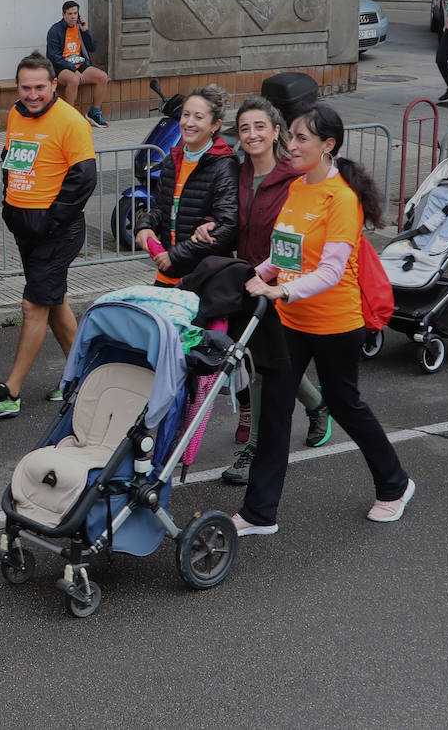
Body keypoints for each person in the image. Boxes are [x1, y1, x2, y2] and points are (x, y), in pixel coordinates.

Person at [238, 104, 416, 536]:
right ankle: (259, 514)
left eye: (301, 139)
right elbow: (286, 255)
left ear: (327, 146)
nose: (291, 145)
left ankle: (395, 485)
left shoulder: (342, 199)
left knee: (344, 404)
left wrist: (278, 289)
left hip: (336, 324)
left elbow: (332, 271)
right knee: (275, 411)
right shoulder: (298, 187)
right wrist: (256, 275)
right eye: (291, 136)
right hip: (291, 321)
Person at [189, 98, 331, 486]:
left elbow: (301, 236)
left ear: (275, 132)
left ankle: (254, 448)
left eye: (259, 127)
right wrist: (208, 225)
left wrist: (280, 282)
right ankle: (319, 404)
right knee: (258, 361)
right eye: (245, 128)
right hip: (245, 279)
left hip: (283, 285)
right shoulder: (237, 174)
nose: (252, 135)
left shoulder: (293, 178)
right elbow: (225, 215)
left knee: (268, 365)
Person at [0, 52, 96, 418]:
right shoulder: (15, 114)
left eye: (39, 87)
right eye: (25, 87)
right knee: (54, 303)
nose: (32, 95)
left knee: (34, 305)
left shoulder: (71, 121)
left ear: (54, 85)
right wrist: (9, 204)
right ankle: (84, 377)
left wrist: (52, 219)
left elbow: (85, 178)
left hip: (57, 232)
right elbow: (10, 158)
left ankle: (11, 390)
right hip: (24, 226)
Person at [133, 85, 239, 286]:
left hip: (203, 277)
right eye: (186, 115)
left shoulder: (224, 164)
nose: (189, 123)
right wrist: (145, 226)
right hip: (168, 272)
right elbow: (161, 209)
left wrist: (176, 255)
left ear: (215, 125)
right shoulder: (173, 159)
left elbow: (226, 225)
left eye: (198, 117)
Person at [45, 1, 109, 128]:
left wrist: (86, 31)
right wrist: (73, 69)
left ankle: (94, 113)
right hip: (61, 67)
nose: (73, 17)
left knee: (102, 77)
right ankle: (69, 117)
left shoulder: (80, 28)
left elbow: (93, 47)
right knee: (74, 80)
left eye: (75, 13)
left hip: (81, 65)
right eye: (70, 14)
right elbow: (53, 56)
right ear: (63, 14)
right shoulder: (55, 30)